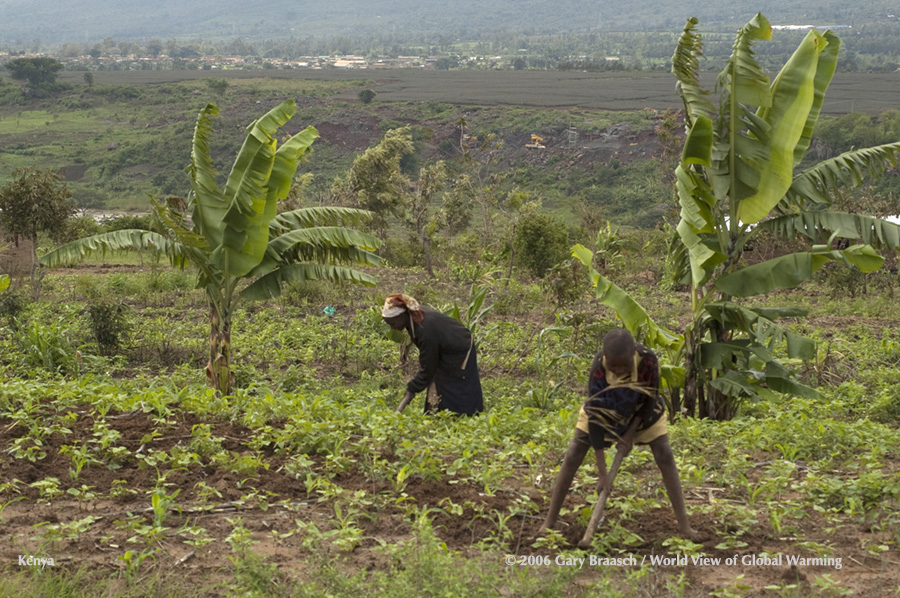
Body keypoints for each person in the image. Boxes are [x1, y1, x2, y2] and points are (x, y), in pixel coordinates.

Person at [538, 328, 695, 537]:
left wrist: (629, 434)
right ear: (604, 356)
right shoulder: (598, 368)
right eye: (614, 366)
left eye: (625, 365)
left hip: (642, 411)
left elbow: (650, 400)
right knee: (574, 453)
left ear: (633, 355)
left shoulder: (648, 360)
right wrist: (603, 474)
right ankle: (549, 522)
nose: (620, 370)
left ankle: (684, 527)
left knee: (665, 454)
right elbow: (594, 419)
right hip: (605, 411)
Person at [382, 293, 484, 415]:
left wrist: (412, 388)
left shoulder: (424, 328)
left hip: (460, 346)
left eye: (393, 323)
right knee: (438, 382)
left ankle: (468, 416)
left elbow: (428, 367)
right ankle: (437, 416)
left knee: (456, 383)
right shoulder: (413, 318)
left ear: (402, 315)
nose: (393, 328)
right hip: (444, 347)